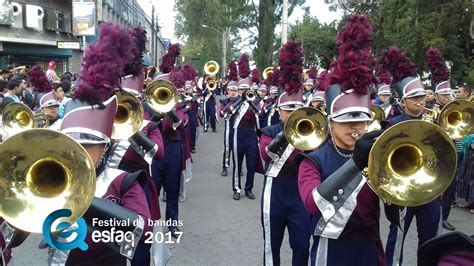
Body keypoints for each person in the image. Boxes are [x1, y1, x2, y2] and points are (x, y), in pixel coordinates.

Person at [298, 15, 399, 265]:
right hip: (331, 250)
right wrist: (356, 163)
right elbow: (314, 204)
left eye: (361, 120)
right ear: (330, 122)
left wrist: (396, 201)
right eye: (346, 121)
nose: (356, 127)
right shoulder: (312, 160)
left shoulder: (376, 155)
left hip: (369, 247)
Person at [381, 47, 438, 266]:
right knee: (398, 238)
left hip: (430, 186)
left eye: (421, 96)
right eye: (413, 97)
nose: (419, 101)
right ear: (403, 101)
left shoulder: (433, 120)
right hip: (403, 188)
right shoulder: (392, 125)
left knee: (431, 237)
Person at [259, 41, 311, 265]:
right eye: (287, 109)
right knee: (271, 249)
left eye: (296, 109)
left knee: (301, 248)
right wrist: (290, 136)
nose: (291, 114)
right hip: (275, 196)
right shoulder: (269, 132)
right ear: (278, 109)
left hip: (300, 196)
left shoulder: (312, 131)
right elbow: (266, 154)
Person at [219, 80, 239, 176]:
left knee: (238, 150)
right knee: (227, 149)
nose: (233, 92)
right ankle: (225, 167)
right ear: (227, 91)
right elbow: (221, 114)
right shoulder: (224, 101)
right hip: (228, 129)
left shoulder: (241, 101)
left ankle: (239, 167)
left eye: (235, 90)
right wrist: (229, 103)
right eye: (231, 90)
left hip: (238, 129)